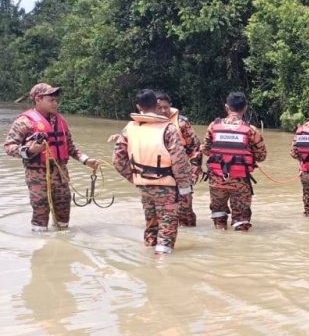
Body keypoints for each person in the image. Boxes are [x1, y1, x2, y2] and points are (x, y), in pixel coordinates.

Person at [3, 83, 101, 231]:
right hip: (38, 175)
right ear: (38, 99)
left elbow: (69, 146)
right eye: (51, 100)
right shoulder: (24, 122)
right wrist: (29, 150)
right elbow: (9, 147)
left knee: (64, 213)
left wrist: (86, 160)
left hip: (60, 175)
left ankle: (62, 244)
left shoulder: (60, 121)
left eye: (56, 100)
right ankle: (40, 246)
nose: (55, 103)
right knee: (40, 212)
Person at [112, 89, 195, 255]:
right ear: (157, 105)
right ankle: (161, 269)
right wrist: (185, 188)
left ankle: (147, 258)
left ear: (138, 106)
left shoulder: (129, 128)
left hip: (144, 186)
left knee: (151, 226)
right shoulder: (169, 129)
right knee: (167, 230)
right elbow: (180, 161)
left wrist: (134, 177)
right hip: (167, 188)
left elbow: (117, 160)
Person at [201, 92, 267, 231]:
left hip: (217, 180)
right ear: (245, 108)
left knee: (219, 216)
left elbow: (206, 150)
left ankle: (220, 244)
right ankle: (240, 249)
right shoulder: (251, 130)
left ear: (226, 107)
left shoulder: (213, 126)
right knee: (241, 220)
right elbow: (261, 156)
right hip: (240, 181)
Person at [155, 91, 202, 227]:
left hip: (181, 173)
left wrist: (194, 171)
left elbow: (195, 148)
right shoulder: (147, 124)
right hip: (159, 175)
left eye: (166, 107)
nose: (163, 111)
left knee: (185, 211)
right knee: (161, 214)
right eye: (159, 108)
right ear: (153, 108)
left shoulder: (181, 123)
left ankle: (190, 236)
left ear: (170, 105)